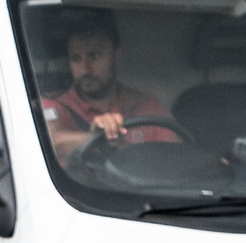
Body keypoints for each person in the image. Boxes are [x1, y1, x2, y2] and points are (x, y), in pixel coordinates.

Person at [40, 12, 176, 165]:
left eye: (94, 56)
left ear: (116, 56)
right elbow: (50, 141)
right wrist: (96, 137)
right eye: (76, 58)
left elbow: (177, 158)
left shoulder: (146, 106)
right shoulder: (55, 106)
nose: (85, 69)